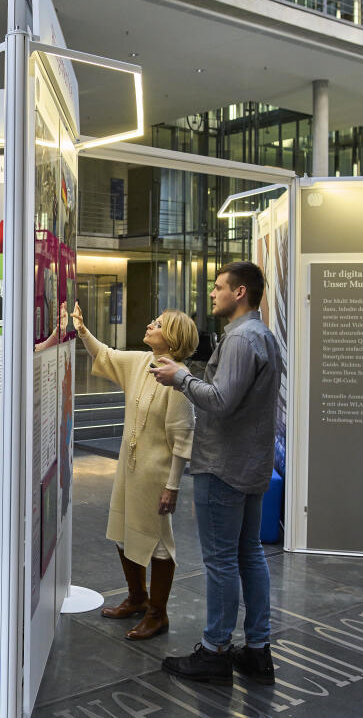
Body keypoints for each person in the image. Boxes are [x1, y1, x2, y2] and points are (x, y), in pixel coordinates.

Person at [149, 262, 282, 686]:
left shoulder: (243, 338)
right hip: (250, 464)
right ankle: (257, 650)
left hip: (224, 466)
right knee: (248, 555)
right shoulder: (262, 335)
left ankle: (215, 650)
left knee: (222, 561)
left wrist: (181, 377)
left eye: (219, 287)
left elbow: (222, 401)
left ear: (240, 293)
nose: (213, 293)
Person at [71, 301, 198, 640]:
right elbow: (107, 355)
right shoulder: (141, 363)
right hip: (129, 469)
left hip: (156, 476)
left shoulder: (178, 381)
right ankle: (138, 598)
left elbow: (183, 440)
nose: (150, 325)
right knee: (122, 532)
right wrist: (82, 330)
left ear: (170, 337)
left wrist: (173, 486)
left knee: (157, 543)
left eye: (157, 324)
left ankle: (158, 615)